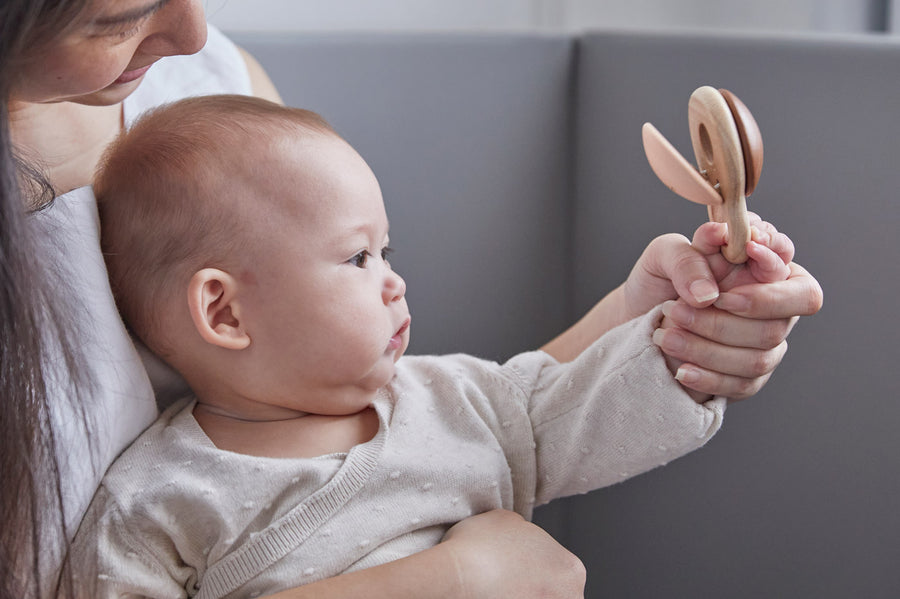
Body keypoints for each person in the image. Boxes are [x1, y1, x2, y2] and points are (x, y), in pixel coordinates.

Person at [0, 1, 822, 597]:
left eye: (386, 250)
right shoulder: (156, 503)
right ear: (224, 313)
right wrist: (456, 577)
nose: (393, 279)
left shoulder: (453, 400)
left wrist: (673, 333)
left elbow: (569, 408)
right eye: (359, 257)